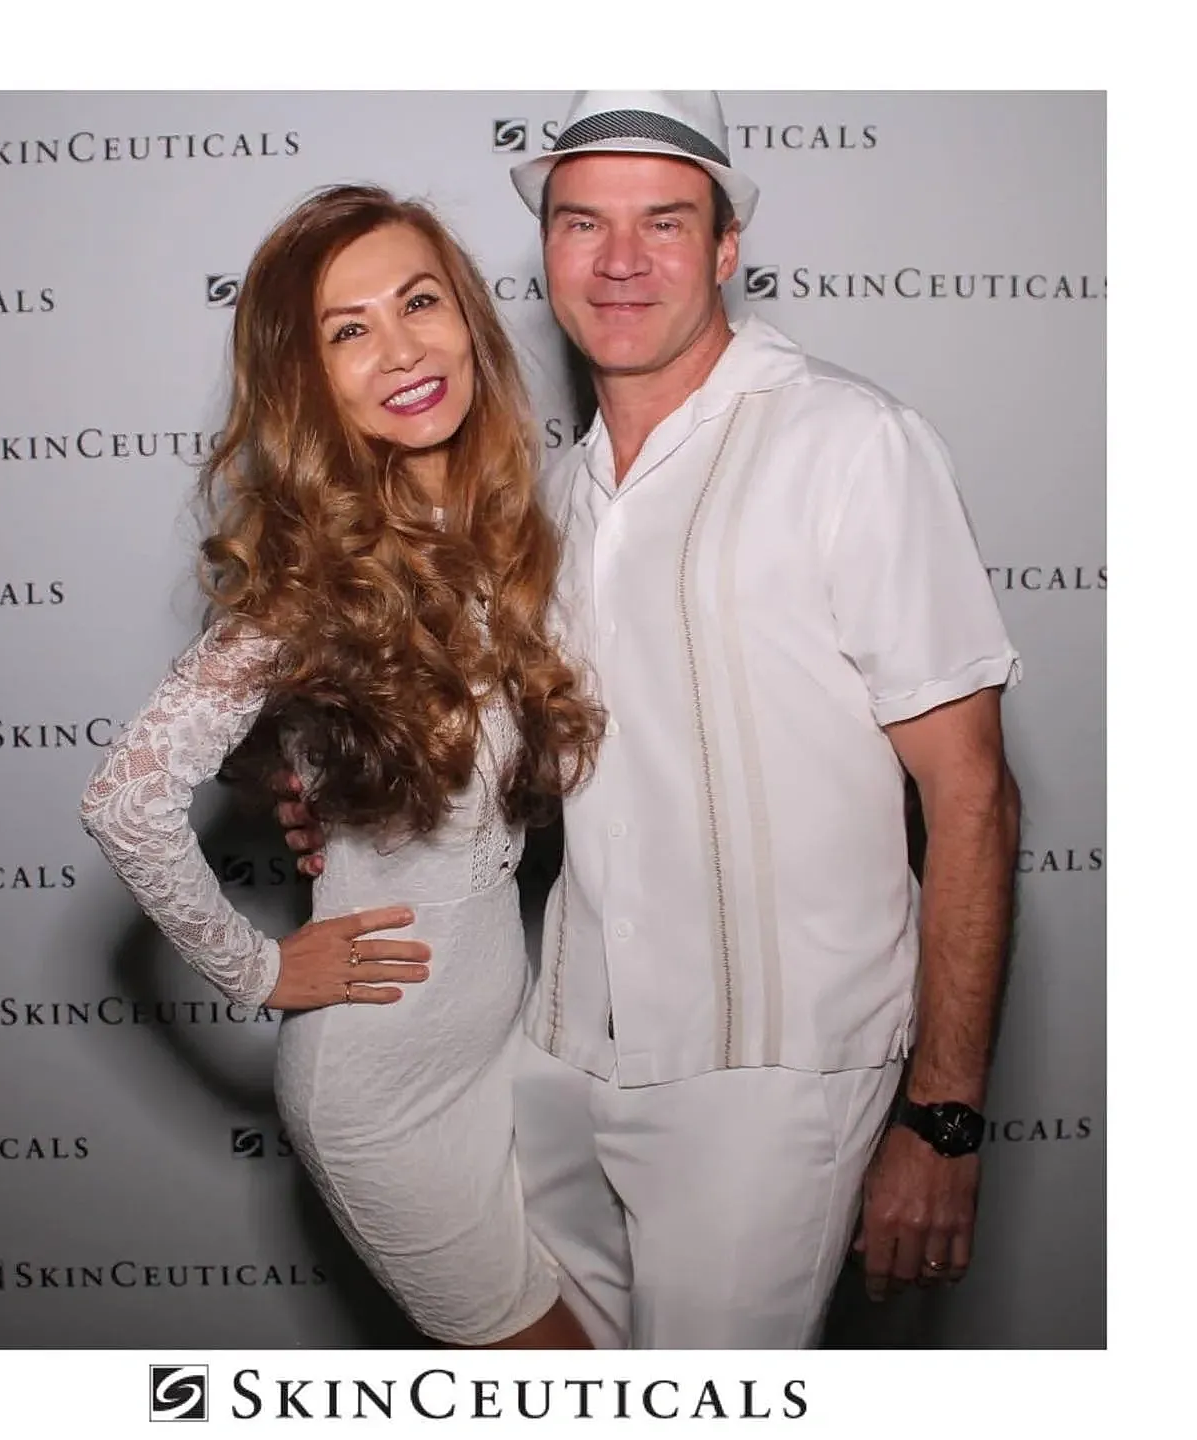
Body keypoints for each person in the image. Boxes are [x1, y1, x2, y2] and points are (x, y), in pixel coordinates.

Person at [281, 92, 1024, 1349]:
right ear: (546, 254)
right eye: (583, 224)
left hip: (768, 1071)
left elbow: (974, 798)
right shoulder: (549, 496)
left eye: (664, 222)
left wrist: (943, 1113)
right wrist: (338, 795)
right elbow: (522, 751)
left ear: (726, 247)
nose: (620, 261)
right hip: (558, 1049)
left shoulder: (851, 443)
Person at [80, 183, 606, 1349]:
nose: (402, 349)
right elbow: (125, 801)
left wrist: (295, 767)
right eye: (348, 330)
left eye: (420, 302)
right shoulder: (304, 589)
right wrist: (258, 972)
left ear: (469, 316)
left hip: (515, 1054)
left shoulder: (507, 537)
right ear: (307, 380)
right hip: (387, 1094)